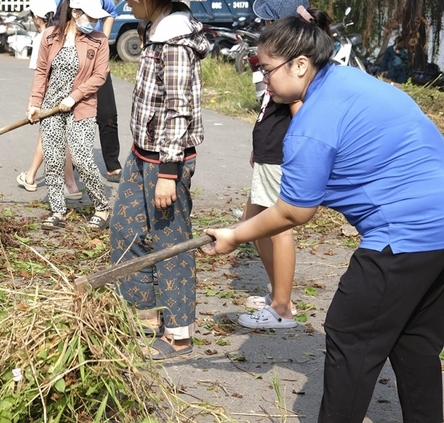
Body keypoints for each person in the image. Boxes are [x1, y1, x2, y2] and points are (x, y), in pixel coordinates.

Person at [204, 7, 444, 421]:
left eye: (266, 69)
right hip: (437, 232)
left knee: (350, 337)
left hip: (402, 236)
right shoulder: (352, 81)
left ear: (299, 65)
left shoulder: (311, 125)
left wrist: (236, 235)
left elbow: (295, 212)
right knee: (414, 340)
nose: (262, 79)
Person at [109, 0, 209, 359]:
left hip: (166, 161)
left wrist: (169, 171)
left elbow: (179, 107)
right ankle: (145, 316)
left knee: (170, 243)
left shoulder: (176, 39)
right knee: (125, 228)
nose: (126, 2)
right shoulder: (154, 29)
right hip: (141, 153)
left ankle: (179, 333)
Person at [235, 0, 316, 329]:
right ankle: (278, 296)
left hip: (280, 156)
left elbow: (300, 112)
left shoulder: (294, 62)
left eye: (269, 22)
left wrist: (298, 156)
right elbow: (268, 105)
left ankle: (282, 307)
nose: (264, 27)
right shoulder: (280, 55)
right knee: (253, 224)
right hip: (268, 151)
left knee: (277, 228)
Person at [27, 0, 112, 231]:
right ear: (75, 12)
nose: (94, 22)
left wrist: (74, 97)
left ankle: (102, 208)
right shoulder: (50, 37)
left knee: (81, 158)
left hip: (81, 107)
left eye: (96, 18)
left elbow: (99, 76)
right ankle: (57, 211)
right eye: (90, 17)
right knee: (53, 160)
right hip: (50, 108)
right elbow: (42, 72)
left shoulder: (99, 40)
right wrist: (35, 103)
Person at [17, 0, 83, 201]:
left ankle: (61, 183)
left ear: (37, 18)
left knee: (55, 139)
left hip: (53, 98)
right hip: (66, 97)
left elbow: (40, 76)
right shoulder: (66, 36)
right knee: (56, 139)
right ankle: (34, 176)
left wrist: (33, 103)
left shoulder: (44, 38)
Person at [94, 0, 122, 182]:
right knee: (72, 117)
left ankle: (112, 165)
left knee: (108, 115)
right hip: (71, 60)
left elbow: (111, 12)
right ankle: (67, 166)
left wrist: (103, 42)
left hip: (97, 60)